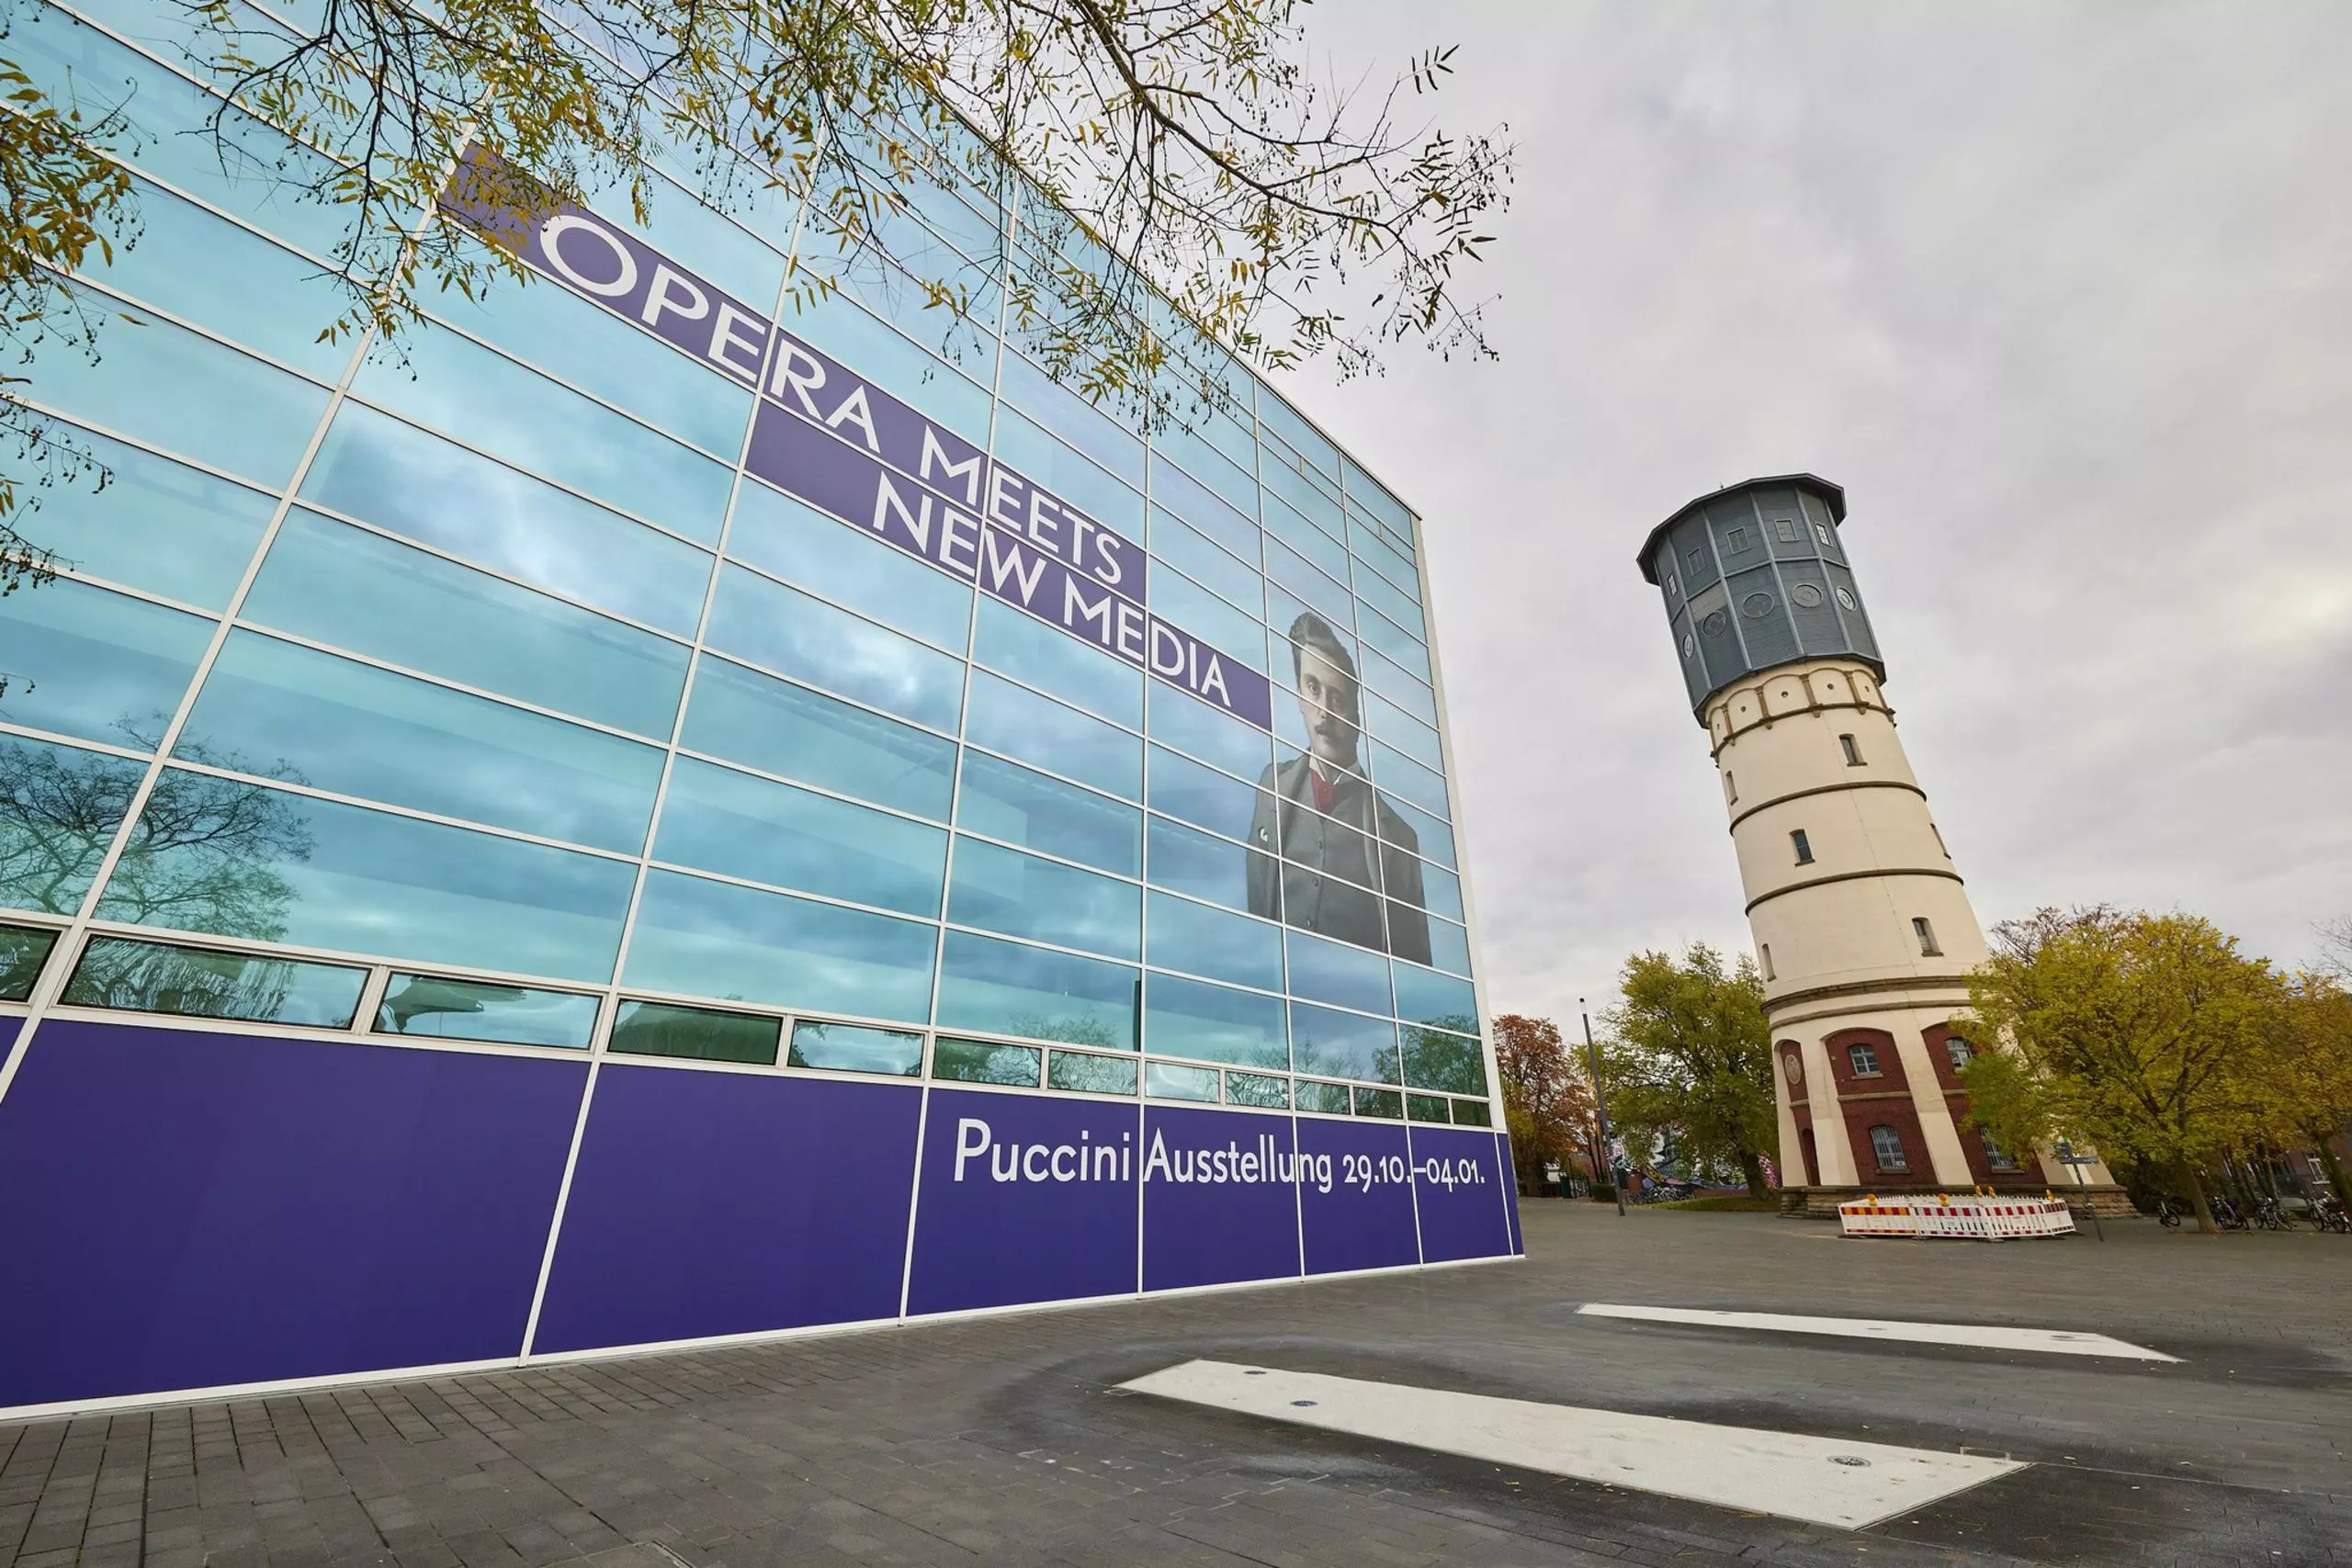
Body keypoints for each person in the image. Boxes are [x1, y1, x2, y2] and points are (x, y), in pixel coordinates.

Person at [1246, 612, 1430, 964]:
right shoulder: (1270, 788)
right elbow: (1259, 906)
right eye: (1313, 689)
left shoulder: (1400, 840)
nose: (1324, 713)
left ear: (1356, 717)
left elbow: (1413, 963)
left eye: (1337, 698)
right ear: (1299, 694)